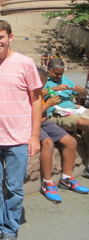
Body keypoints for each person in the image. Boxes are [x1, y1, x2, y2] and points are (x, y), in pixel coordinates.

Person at [0, 19, 42, 240]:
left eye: (0, 37)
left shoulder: (25, 63)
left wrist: (34, 136)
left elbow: (36, 101)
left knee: (14, 187)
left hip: (18, 138)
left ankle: (10, 228)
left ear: (10, 37)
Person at [36, 68, 88, 203]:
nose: (42, 84)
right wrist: (48, 104)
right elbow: (30, 114)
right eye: (40, 81)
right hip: (33, 123)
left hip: (44, 121)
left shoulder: (40, 90)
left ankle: (66, 178)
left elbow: (44, 92)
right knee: (48, 143)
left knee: (71, 141)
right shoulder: (27, 93)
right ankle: (47, 183)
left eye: (42, 81)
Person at [44, 58, 89, 180]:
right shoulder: (43, 80)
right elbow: (36, 94)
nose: (59, 76)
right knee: (83, 123)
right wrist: (55, 89)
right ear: (49, 70)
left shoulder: (66, 80)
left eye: (61, 74)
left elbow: (83, 94)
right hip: (57, 114)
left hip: (74, 110)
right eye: (56, 73)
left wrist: (81, 91)